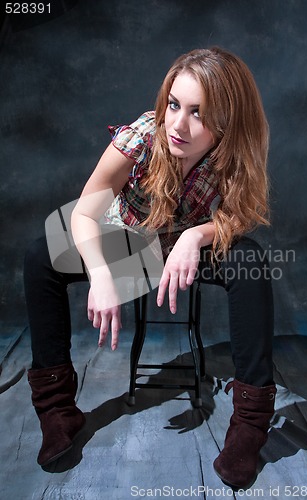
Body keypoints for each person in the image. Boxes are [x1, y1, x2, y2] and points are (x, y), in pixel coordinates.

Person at [24, 46, 276, 491]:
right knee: (39, 255)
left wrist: (195, 238)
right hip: (131, 243)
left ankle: (249, 427)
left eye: (199, 113)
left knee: (250, 258)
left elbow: (238, 216)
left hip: (187, 254)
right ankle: (58, 411)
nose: (178, 124)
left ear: (227, 121)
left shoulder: (237, 153)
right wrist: (101, 274)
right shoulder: (142, 138)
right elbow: (84, 214)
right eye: (175, 104)